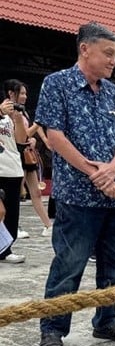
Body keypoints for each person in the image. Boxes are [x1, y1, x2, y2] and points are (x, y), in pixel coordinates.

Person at [35, 22, 115, 346]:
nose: (113, 62)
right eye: (108, 54)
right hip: (77, 196)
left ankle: (105, 320)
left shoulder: (114, 94)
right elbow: (54, 137)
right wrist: (94, 172)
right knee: (70, 263)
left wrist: (113, 168)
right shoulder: (57, 85)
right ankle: (52, 329)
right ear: (85, 49)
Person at [4, 79, 53, 236]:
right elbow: (22, 134)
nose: (25, 96)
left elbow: (26, 133)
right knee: (16, 193)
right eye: (22, 93)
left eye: (25, 93)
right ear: (11, 93)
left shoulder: (21, 111)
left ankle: (47, 225)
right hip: (15, 155)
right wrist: (38, 124)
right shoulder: (7, 111)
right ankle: (13, 226)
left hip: (27, 154)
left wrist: (39, 139)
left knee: (36, 192)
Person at [0, 94, 28, 264]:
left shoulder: (8, 119)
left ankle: (5, 250)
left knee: (11, 214)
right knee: (1, 211)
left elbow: (20, 140)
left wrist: (17, 119)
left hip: (13, 169)